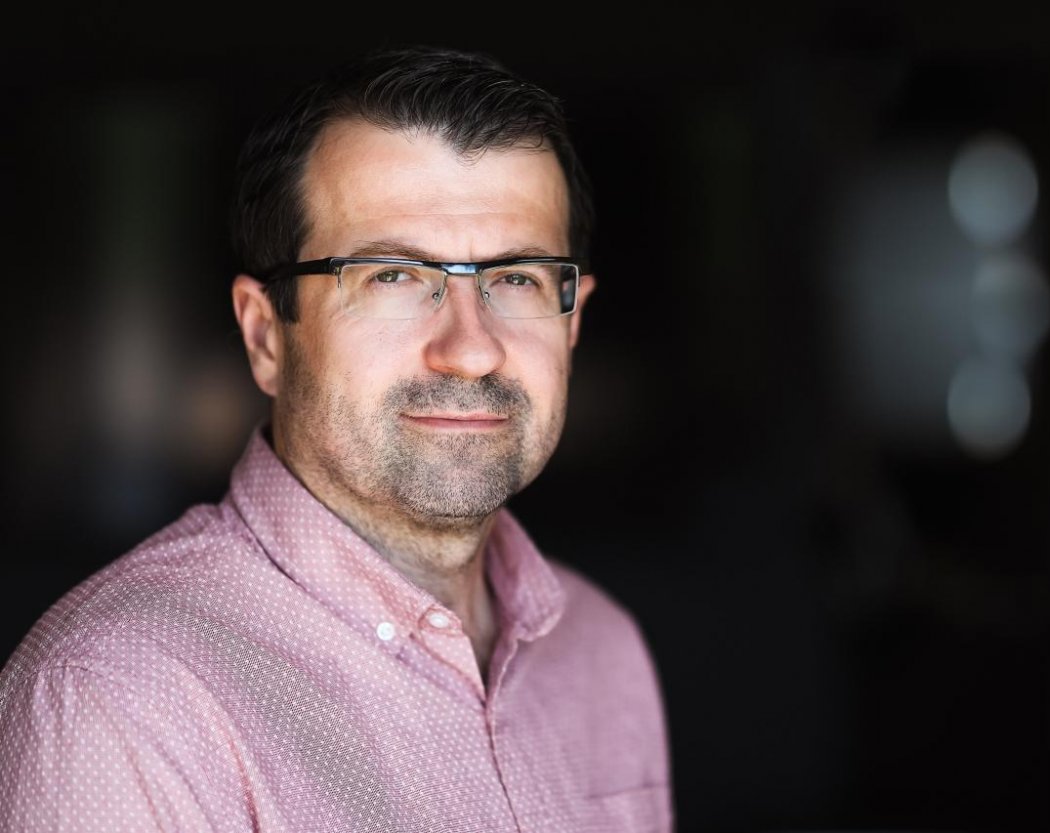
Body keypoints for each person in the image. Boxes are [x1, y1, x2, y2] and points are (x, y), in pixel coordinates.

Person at [0, 46, 671, 832]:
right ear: (265, 336)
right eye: (392, 277)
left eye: (516, 278)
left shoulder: (602, 650)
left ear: (573, 320)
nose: (471, 349)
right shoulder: (119, 701)